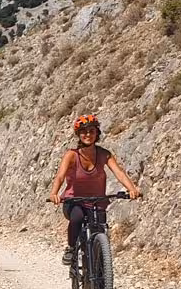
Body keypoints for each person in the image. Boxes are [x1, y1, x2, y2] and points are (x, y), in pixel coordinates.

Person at [47, 114, 142, 266]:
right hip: (74, 201)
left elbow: (119, 172)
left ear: (97, 133)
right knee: (77, 217)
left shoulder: (104, 154)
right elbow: (60, 176)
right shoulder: (71, 155)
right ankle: (71, 248)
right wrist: (54, 193)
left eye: (91, 131)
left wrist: (132, 189)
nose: (88, 135)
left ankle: (101, 273)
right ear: (78, 135)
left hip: (97, 202)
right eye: (83, 131)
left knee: (100, 230)